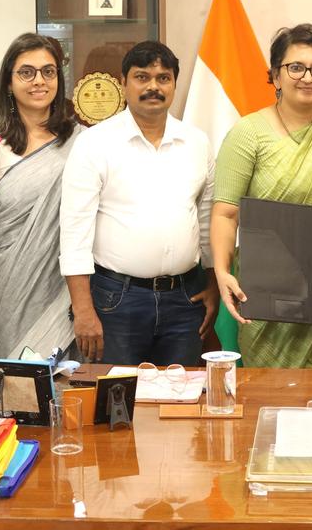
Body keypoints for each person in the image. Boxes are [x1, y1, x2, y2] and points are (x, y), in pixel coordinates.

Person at [212, 23, 312, 368]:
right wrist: (223, 271)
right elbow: (226, 213)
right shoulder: (247, 133)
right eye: (296, 67)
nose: (308, 77)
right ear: (275, 74)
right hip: (268, 288)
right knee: (272, 397)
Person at [60, 41, 219, 366]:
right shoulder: (95, 143)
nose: (153, 87)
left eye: (163, 78)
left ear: (174, 83)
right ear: (124, 82)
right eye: (142, 77)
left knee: (181, 402)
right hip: (116, 301)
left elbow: (206, 220)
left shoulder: (197, 142)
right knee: (117, 404)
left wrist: (213, 282)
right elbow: (74, 233)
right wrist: (83, 309)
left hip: (184, 300)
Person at [0, 33, 80, 359]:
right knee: (9, 379)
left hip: (61, 285)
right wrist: (4, 260)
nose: (39, 81)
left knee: (62, 378)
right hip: (2, 284)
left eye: (48, 72)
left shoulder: (81, 142)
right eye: (26, 72)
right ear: (9, 82)